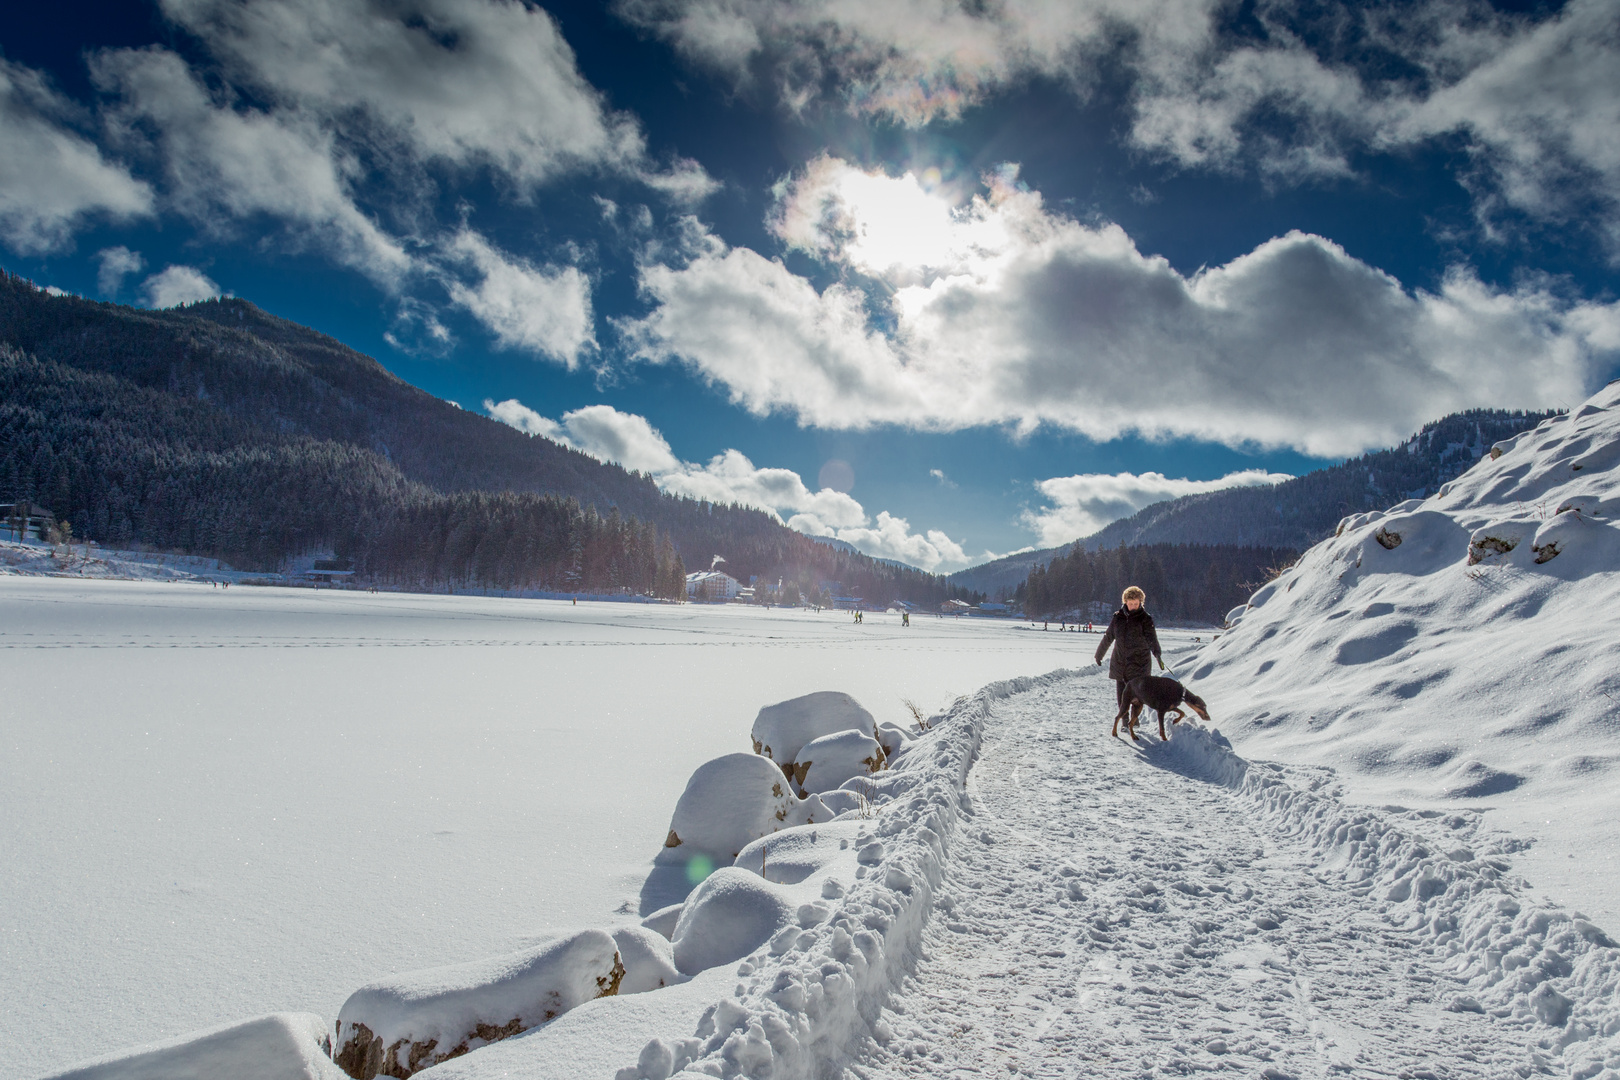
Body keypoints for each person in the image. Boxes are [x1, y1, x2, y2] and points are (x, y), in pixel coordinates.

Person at [1094, 586, 1165, 718]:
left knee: (1138, 695)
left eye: (1136, 604)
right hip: (1120, 662)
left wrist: (1158, 654)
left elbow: (1152, 639)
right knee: (1122, 696)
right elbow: (1108, 637)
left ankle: (1134, 720)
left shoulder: (1145, 619)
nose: (1133, 606)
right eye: (1130, 603)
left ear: (1141, 603)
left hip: (1139, 663)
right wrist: (1099, 654)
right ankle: (1125, 722)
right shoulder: (1118, 618)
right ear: (1125, 602)